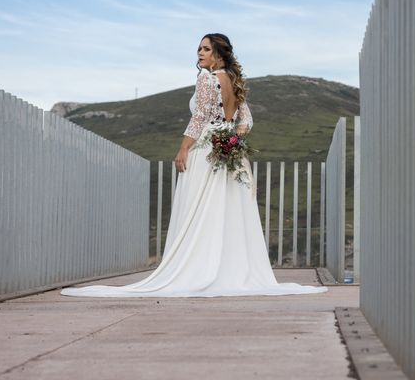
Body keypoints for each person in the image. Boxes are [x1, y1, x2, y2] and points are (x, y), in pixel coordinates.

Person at [60, 33, 328, 298]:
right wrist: (231, 141)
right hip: (230, 154)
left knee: (198, 209)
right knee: (226, 211)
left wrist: (184, 148)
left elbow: (199, 116)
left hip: (206, 151)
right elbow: (246, 122)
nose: (199, 53)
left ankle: (198, 268)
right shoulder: (234, 81)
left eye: (206, 49)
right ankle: (229, 271)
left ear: (218, 54)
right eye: (199, 48)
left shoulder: (206, 78)